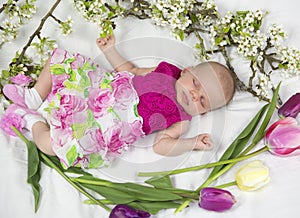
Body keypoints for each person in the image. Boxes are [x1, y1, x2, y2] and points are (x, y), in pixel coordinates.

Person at [1, 35, 235, 169]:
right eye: (195, 84)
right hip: (101, 90)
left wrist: (191, 142)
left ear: (203, 112)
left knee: (52, 146)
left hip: (104, 126)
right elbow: (131, 69)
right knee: (59, 61)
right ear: (186, 71)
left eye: (202, 100)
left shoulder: (182, 120)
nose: (194, 95)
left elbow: (161, 145)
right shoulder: (165, 70)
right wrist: (110, 50)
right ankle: (35, 96)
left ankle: (30, 120)